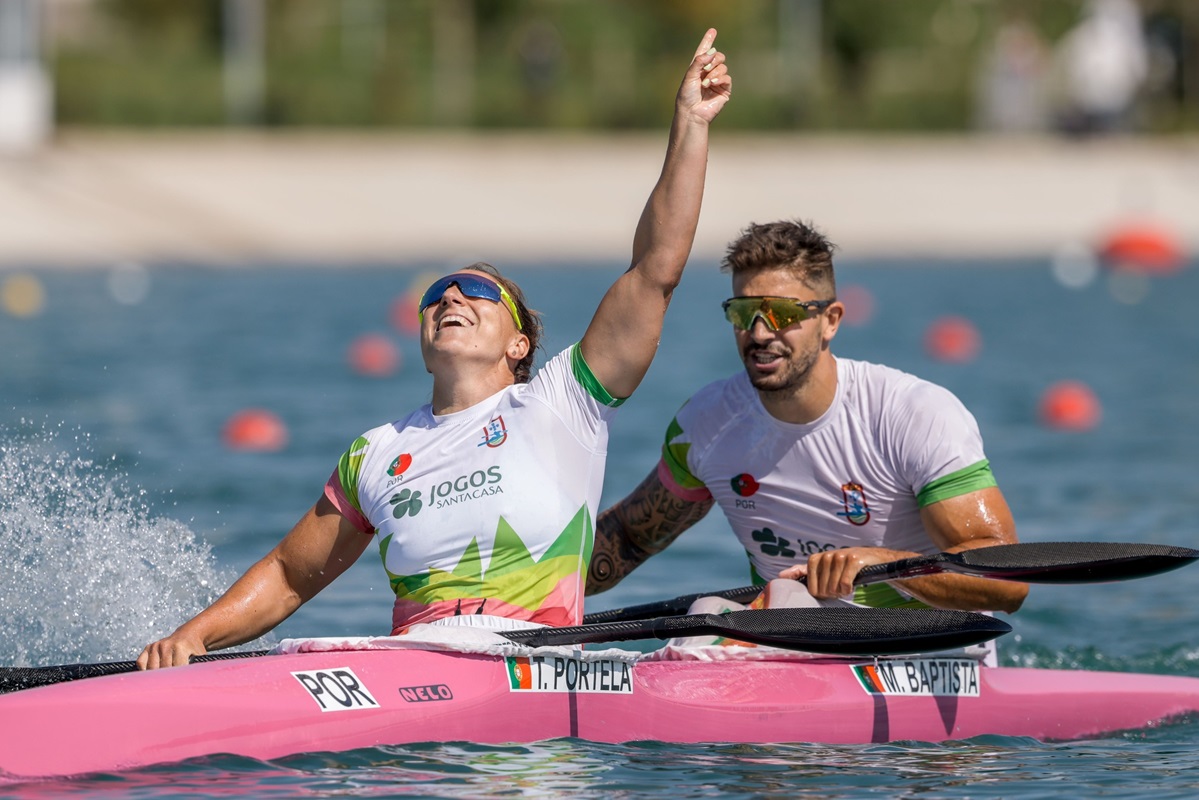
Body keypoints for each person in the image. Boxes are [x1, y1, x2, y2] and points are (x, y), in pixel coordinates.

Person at [138, 29, 732, 669]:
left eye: (476, 292)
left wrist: (689, 124)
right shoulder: (377, 453)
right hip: (414, 687)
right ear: (422, 342)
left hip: (536, 694)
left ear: (519, 344)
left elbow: (655, 270)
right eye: (437, 295)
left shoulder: (565, 402)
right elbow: (288, 575)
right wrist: (192, 637)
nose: (451, 299)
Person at [587, 219, 1027, 639]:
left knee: (762, 608)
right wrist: (524, 579)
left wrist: (883, 563)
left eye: (780, 313)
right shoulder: (706, 424)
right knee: (710, 612)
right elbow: (629, 537)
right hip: (788, 638)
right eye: (742, 313)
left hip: (928, 650)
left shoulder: (913, 414)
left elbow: (1006, 584)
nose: (758, 332)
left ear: (831, 320)